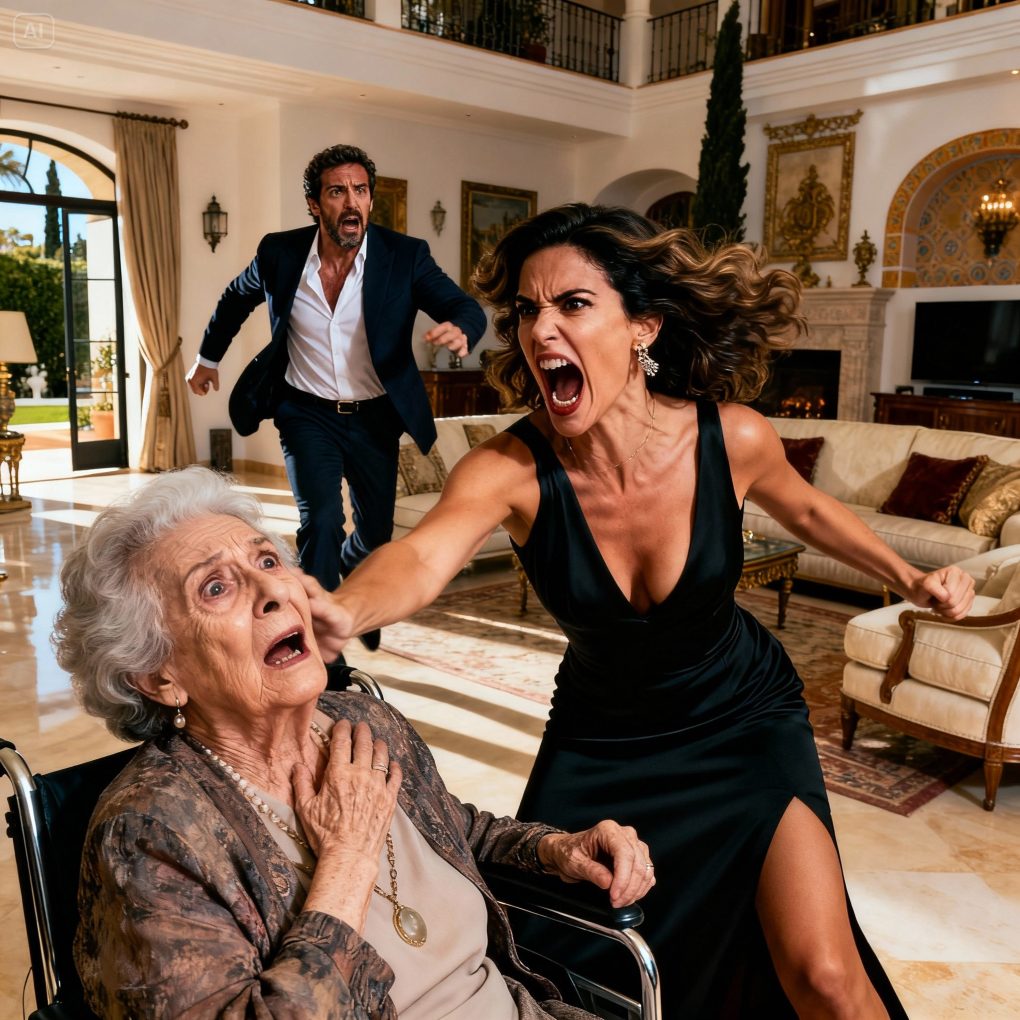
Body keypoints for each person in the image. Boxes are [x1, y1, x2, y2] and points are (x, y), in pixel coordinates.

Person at [299, 204, 977, 1017]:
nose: (541, 329)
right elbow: (420, 556)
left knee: (825, 976)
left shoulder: (731, 437)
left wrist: (911, 578)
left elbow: (810, 511)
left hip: (744, 719)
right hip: (605, 742)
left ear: (643, 327)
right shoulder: (507, 469)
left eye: (573, 304)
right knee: (566, 973)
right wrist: (344, 607)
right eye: (527, 310)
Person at [55, 466, 654, 1019]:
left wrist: (554, 849)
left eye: (268, 560)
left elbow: (453, 830)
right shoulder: (149, 833)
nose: (271, 591)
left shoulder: (362, 721)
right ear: (159, 676)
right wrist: (346, 860)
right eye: (215, 588)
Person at [187, 143, 486, 658]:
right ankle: (325, 651)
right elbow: (236, 298)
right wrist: (207, 358)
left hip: (374, 417)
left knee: (374, 535)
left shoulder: (404, 256)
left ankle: (352, 585)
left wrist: (462, 327)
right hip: (305, 412)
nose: (352, 202)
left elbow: (463, 305)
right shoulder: (280, 254)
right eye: (337, 191)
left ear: (370, 199)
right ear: (314, 203)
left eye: (361, 190)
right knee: (321, 522)